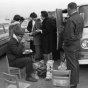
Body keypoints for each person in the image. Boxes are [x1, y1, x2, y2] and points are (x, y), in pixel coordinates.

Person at [63, 2, 84, 88]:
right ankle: (75, 82)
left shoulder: (71, 20)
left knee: (71, 65)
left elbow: (69, 36)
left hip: (71, 45)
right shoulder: (80, 17)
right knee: (75, 63)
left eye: (67, 9)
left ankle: (72, 84)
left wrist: (65, 44)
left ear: (69, 8)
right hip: (77, 44)